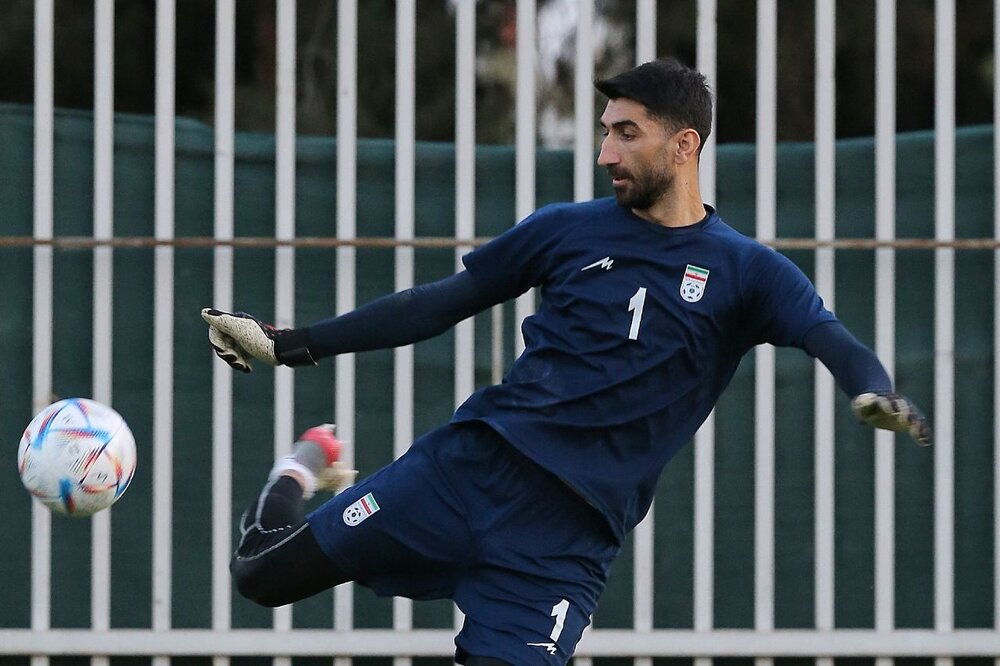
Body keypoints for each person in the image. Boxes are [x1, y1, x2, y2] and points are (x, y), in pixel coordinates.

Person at [201, 57, 932, 665]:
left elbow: (830, 338)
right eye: (605, 132)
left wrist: (872, 389)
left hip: (563, 545)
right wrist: (292, 343)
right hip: (467, 473)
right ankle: (302, 466)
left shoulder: (749, 272)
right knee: (261, 576)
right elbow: (437, 304)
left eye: (626, 134)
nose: (606, 153)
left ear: (684, 145)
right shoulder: (566, 231)